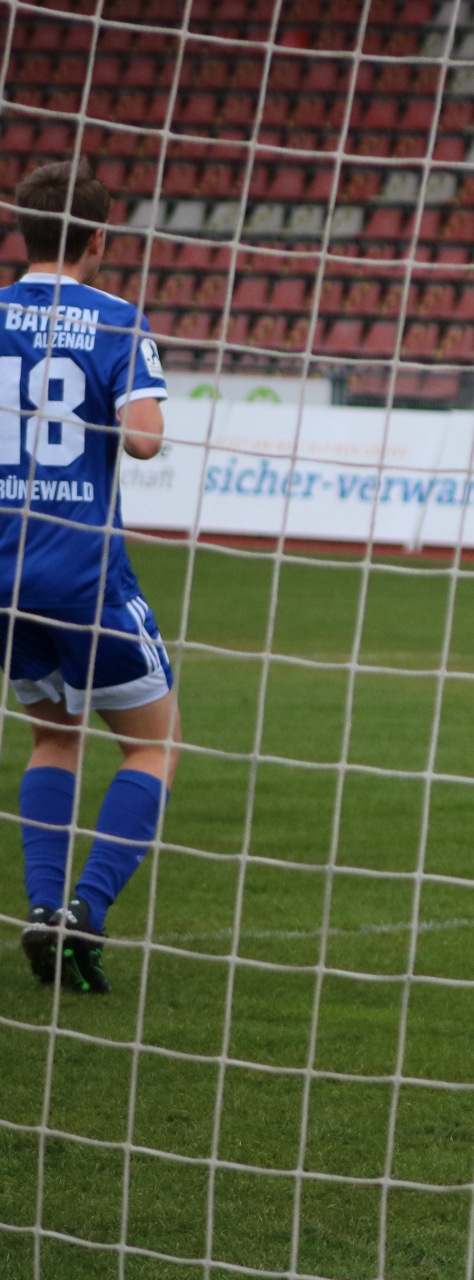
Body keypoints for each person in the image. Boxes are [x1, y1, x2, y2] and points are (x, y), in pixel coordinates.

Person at [7, 160, 178, 994]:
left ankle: (41, 910)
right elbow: (143, 441)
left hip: (3, 578)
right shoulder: (116, 319)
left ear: (22, 232)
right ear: (100, 240)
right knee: (152, 741)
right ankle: (87, 912)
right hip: (82, 572)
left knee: (53, 735)